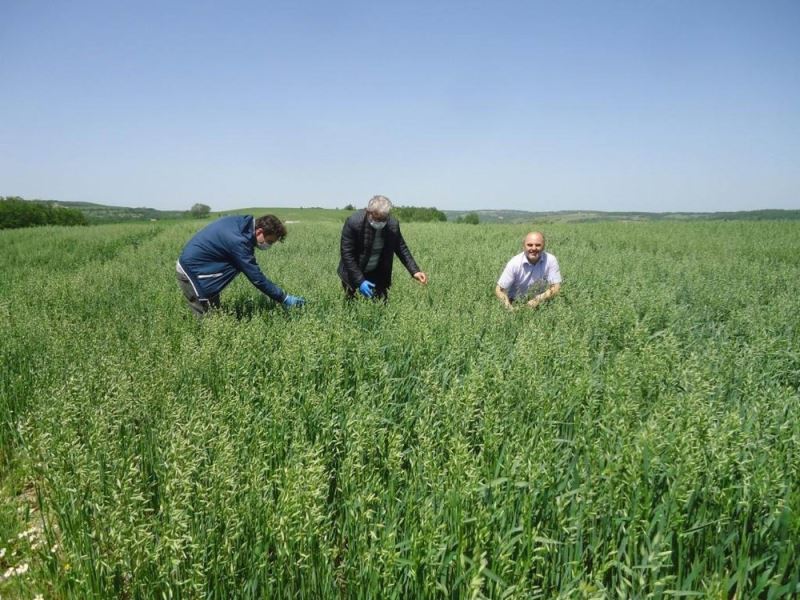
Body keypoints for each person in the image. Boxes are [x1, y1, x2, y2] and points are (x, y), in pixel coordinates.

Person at [176, 214, 305, 317]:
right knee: (205, 320)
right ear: (259, 231)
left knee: (214, 316)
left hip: (203, 268)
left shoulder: (245, 224)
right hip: (193, 274)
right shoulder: (239, 241)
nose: (268, 245)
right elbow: (257, 278)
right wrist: (284, 297)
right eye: (269, 241)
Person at [338, 195, 428, 301]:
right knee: (353, 305)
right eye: (376, 218)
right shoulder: (354, 222)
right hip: (353, 273)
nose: (380, 222)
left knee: (380, 305)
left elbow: (401, 247)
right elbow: (347, 254)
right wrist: (360, 281)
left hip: (377, 273)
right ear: (368, 212)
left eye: (383, 219)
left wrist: (415, 271)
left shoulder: (392, 224)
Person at [496, 231, 561, 310]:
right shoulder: (514, 263)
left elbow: (556, 287)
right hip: (515, 303)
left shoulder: (550, 260)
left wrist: (538, 300)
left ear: (543, 246)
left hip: (541, 303)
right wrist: (508, 306)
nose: (534, 248)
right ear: (523, 246)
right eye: (530, 245)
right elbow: (499, 289)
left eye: (538, 245)